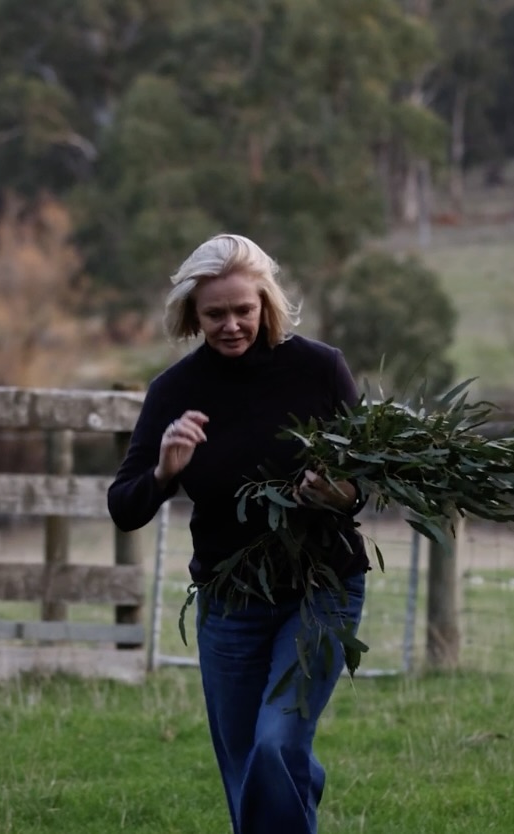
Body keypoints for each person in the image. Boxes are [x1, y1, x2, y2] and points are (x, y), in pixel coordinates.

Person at [108, 233, 370, 834]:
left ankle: (290, 768)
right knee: (249, 762)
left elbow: (367, 480)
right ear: (192, 315)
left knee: (275, 743)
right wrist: (163, 472)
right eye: (215, 314)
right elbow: (124, 507)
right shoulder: (173, 393)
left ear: (266, 303)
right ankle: (294, 776)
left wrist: (341, 493)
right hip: (230, 602)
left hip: (322, 587)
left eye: (243, 310)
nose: (230, 325)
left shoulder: (319, 368)